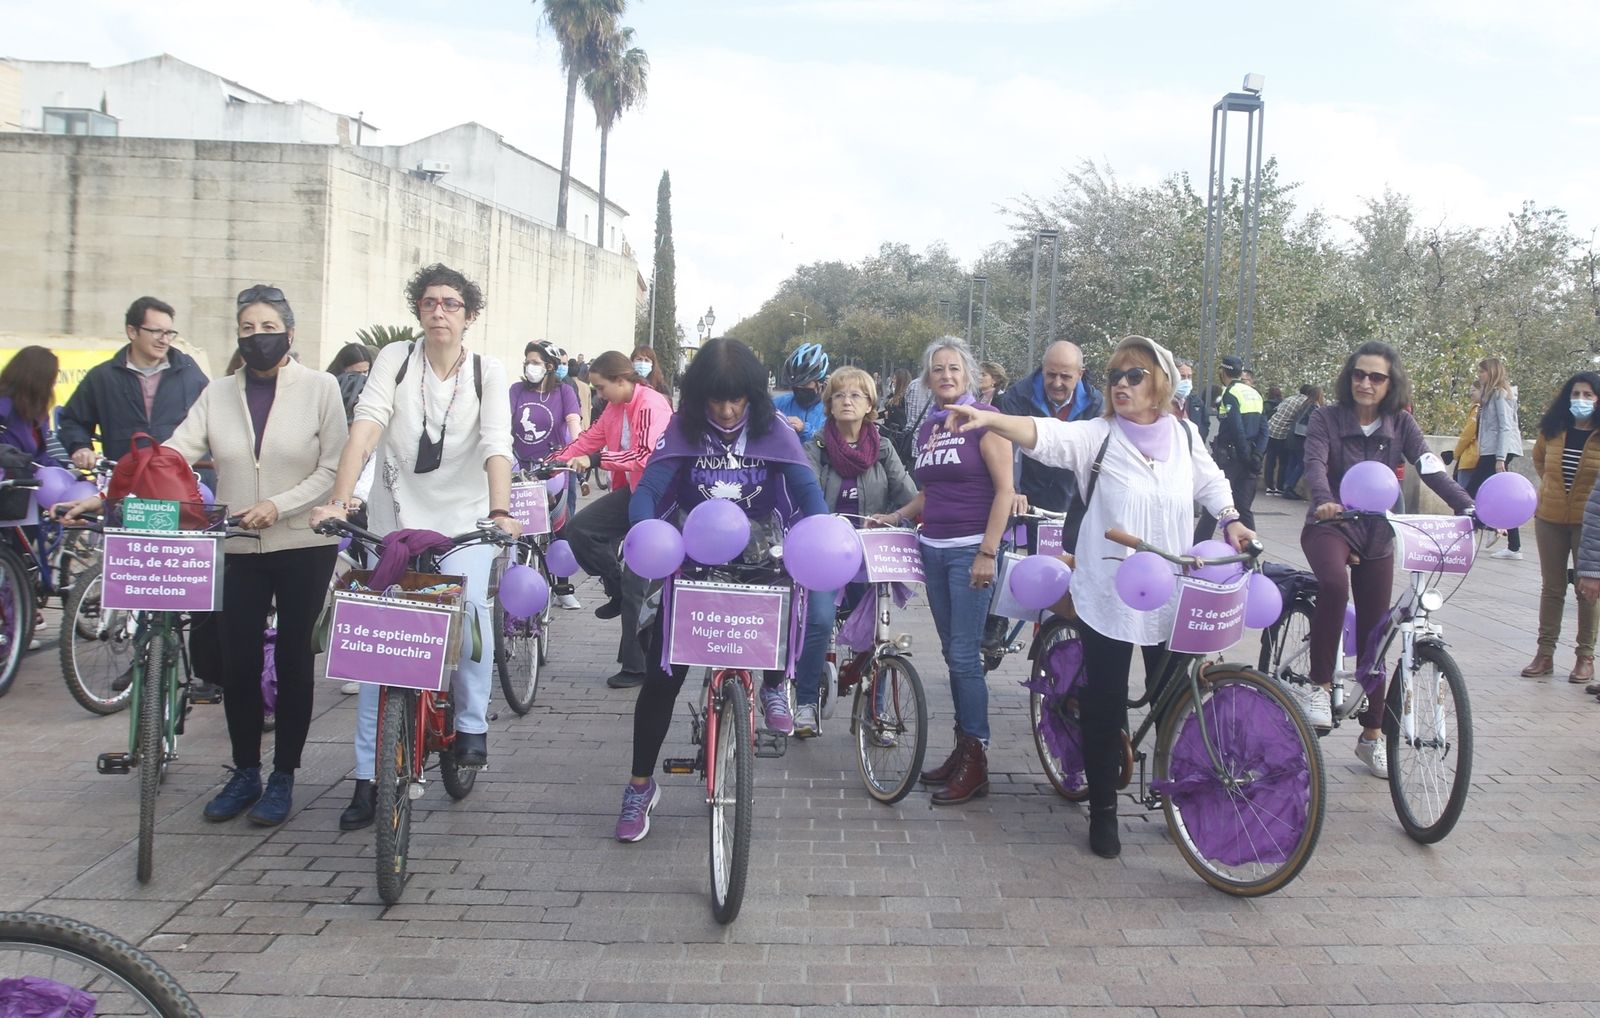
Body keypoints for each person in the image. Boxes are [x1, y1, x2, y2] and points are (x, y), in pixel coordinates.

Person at [937, 335, 1253, 858]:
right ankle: (1103, 809)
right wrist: (989, 418)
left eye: (1135, 375)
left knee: (1172, 698)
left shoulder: (1187, 434)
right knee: (1106, 705)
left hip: (1169, 588)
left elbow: (1212, 483)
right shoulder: (1097, 436)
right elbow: (1043, 434)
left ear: (1161, 382)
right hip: (1108, 590)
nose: (1122, 384)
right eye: (1114, 376)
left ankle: (1182, 796)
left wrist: (1232, 519)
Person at [65, 287, 348, 826]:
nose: (257, 337)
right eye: (246, 329)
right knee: (235, 663)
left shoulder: (321, 388)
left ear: (289, 333)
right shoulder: (217, 393)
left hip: (303, 546)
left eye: (267, 327)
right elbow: (171, 454)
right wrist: (111, 495)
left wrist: (277, 504)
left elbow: (333, 468)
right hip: (237, 544)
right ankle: (245, 771)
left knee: (292, 661)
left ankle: (283, 776)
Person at [308, 264, 520, 831]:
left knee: (472, 610)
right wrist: (339, 499)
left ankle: (471, 724)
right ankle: (367, 777)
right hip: (395, 519)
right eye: (429, 303)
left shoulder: (487, 372)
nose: (440, 312)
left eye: (452, 304)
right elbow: (367, 425)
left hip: (465, 521)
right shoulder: (395, 361)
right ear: (418, 311)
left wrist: (501, 513)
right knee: (378, 646)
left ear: (469, 316)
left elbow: (497, 444)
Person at [613, 338, 826, 841]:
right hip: (693, 555)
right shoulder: (682, 429)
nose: (728, 411)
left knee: (782, 604)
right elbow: (648, 491)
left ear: (753, 395)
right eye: (716, 400)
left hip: (762, 557)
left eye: (737, 400)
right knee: (663, 676)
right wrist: (644, 530)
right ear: (698, 398)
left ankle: (776, 684)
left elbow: (809, 494)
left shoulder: (773, 430)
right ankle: (640, 786)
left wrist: (821, 532)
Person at [1297, 341, 1474, 777]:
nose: (1365, 383)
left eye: (1376, 377)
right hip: (1330, 525)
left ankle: (1372, 736)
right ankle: (1319, 684)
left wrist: (1468, 506)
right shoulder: (1325, 418)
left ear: (1390, 383)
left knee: (1379, 630)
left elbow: (1430, 468)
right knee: (1335, 586)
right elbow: (1315, 464)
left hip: (1378, 534)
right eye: (1359, 374)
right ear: (1348, 377)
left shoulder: (1401, 424)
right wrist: (1324, 500)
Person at [873, 337, 1016, 807]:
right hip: (931, 550)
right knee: (953, 654)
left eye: (954, 368)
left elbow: (1004, 492)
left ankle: (976, 758)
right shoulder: (930, 427)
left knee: (963, 655)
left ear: (969, 376)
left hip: (969, 551)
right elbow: (929, 494)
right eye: (938, 369)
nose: (947, 375)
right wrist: (897, 517)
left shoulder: (984, 424)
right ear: (927, 378)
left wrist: (988, 553)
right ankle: (961, 751)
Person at [797, 366, 917, 736]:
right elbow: (806, 496)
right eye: (838, 395)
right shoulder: (815, 447)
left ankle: (876, 714)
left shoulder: (883, 448)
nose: (846, 401)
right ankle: (803, 704)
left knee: (879, 634)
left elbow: (909, 497)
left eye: (856, 395)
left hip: (870, 553)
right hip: (826, 553)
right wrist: (827, 523)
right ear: (829, 405)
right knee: (818, 620)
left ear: (870, 406)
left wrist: (897, 518)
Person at [551, 350, 672, 688]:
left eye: (601, 388)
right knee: (578, 530)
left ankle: (636, 667)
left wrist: (596, 460)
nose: (599, 395)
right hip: (633, 492)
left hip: (659, 499)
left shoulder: (651, 404)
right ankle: (614, 586)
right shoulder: (616, 407)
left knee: (639, 582)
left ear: (622, 380)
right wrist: (557, 459)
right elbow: (590, 439)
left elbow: (646, 454)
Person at [58, 296, 210, 472]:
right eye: (156, 332)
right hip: (127, 481)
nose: (164, 340)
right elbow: (73, 421)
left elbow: (216, 420)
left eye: (169, 333)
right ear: (132, 332)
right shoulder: (102, 378)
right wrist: (80, 447)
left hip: (182, 481)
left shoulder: (190, 373)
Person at [1521, 372, 1600, 683]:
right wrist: (1553, 491)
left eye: (1588, 395)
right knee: (1552, 588)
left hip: (1589, 522)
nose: (1580, 400)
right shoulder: (1553, 430)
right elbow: (1540, 462)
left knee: (1588, 589)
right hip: (1550, 518)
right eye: (1576, 394)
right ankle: (1545, 653)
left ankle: (1585, 656)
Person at [996, 340, 1104, 520]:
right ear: (1043, 369)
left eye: (1065, 376)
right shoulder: (1018, 397)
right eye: (1051, 375)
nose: (1057, 383)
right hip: (1025, 499)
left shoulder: (1096, 404)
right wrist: (1013, 489)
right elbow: (1006, 445)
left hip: (1072, 501)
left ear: (1080, 374)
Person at [513, 341, 584, 610]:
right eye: (527, 361)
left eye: (536, 362)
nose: (530, 367)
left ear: (549, 366)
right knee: (516, 528)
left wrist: (577, 450)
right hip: (519, 466)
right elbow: (501, 422)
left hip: (553, 466)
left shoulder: (564, 392)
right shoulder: (516, 391)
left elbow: (573, 422)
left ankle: (563, 587)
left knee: (558, 527)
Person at [1195, 354, 1266, 541]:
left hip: (1232, 457)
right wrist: (1257, 455)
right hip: (1250, 458)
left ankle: (1198, 548)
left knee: (1215, 505)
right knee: (1243, 509)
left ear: (1223, 371)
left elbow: (1236, 428)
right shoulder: (1255, 393)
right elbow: (1265, 429)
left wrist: (1244, 456)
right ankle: (1250, 553)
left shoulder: (1230, 393)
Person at [1466, 357, 1524, 561]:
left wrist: (1500, 458)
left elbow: (1505, 427)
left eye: (1482, 371)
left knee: (1470, 491)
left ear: (1491, 372)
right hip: (1493, 451)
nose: (1479, 375)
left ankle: (1478, 532)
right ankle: (1513, 544)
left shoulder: (1500, 394)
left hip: (1497, 451)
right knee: (1501, 495)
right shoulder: (1490, 396)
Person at [0, 346, 65, 469]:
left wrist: (70, 474)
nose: (55, 382)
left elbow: (41, 458)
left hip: (29, 482)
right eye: (52, 376)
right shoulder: (4, 406)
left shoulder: (38, 412)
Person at [772, 342, 830, 443]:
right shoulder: (778, 404)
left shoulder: (833, 410)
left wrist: (804, 429)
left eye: (805, 384)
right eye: (795, 385)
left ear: (820, 382)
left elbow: (832, 444)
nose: (799, 388)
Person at [1264, 384, 1311, 495]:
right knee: (1283, 462)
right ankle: (1280, 487)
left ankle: (1269, 487)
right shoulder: (1305, 403)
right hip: (1281, 433)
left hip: (1270, 428)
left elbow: (1277, 410)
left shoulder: (1290, 398)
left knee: (1270, 460)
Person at [1279, 385, 1322, 499]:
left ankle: (1286, 486)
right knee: (1302, 464)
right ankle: (1289, 487)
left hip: (1292, 436)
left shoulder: (1305, 404)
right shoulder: (1314, 407)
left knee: (1292, 463)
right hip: (1300, 438)